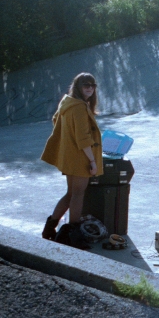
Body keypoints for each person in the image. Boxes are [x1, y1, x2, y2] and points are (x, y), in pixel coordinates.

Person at [40, 72, 104, 249]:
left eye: (92, 85)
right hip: (80, 157)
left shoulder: (67, 102)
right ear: (78, 87)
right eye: (85, 85)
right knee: (78, 194)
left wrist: (68, 140)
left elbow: (55, 120)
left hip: (70, 156)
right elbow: (83, 139)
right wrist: (92, 161)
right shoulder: (79, 107)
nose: (90, 88)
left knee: (71, 194)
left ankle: (49, 229)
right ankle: (73, 236)